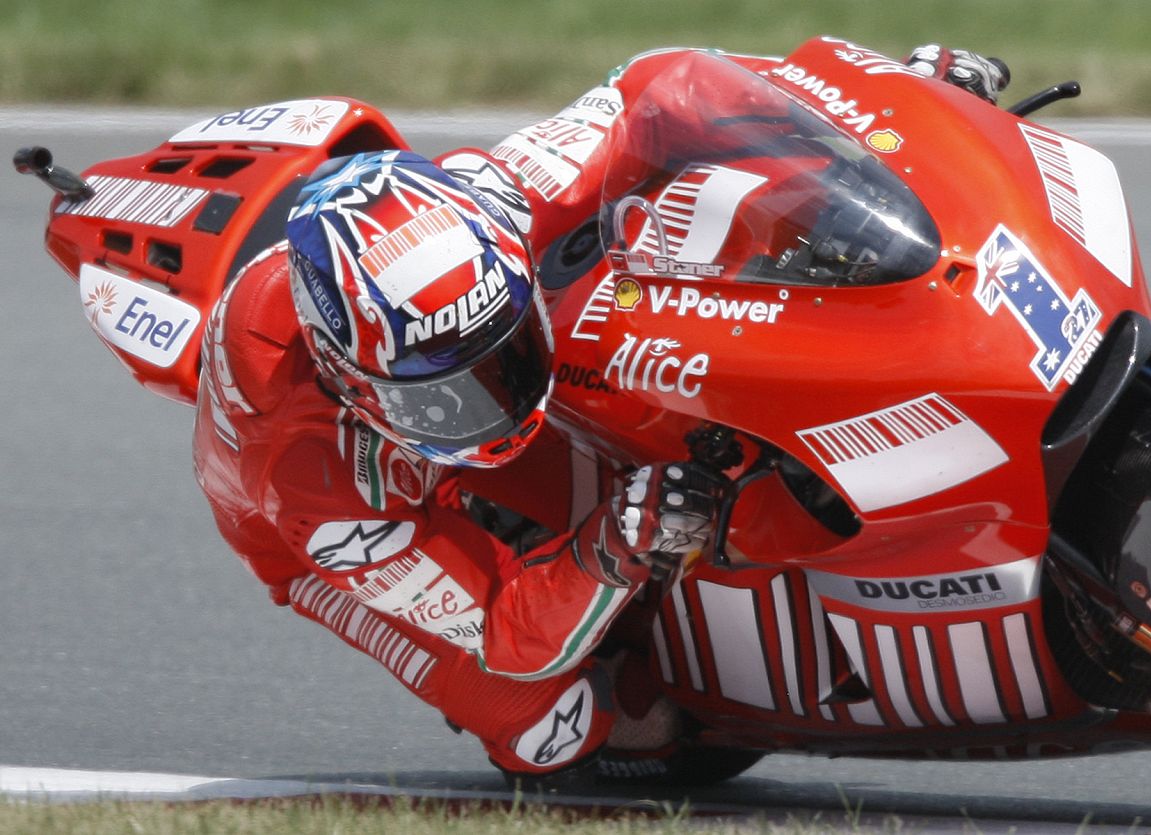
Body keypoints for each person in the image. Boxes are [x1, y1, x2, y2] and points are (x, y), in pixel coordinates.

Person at [191, 41, 1008, 783]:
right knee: (560, 723)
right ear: (350, 378)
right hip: (322, 539)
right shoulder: (313, 481)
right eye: (444, 393)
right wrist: (615, 543)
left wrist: (892, 111)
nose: (496, 403)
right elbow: (507, 635)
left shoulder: (495, 198)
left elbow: (661, 83)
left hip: (428, 386)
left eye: (503, 355)